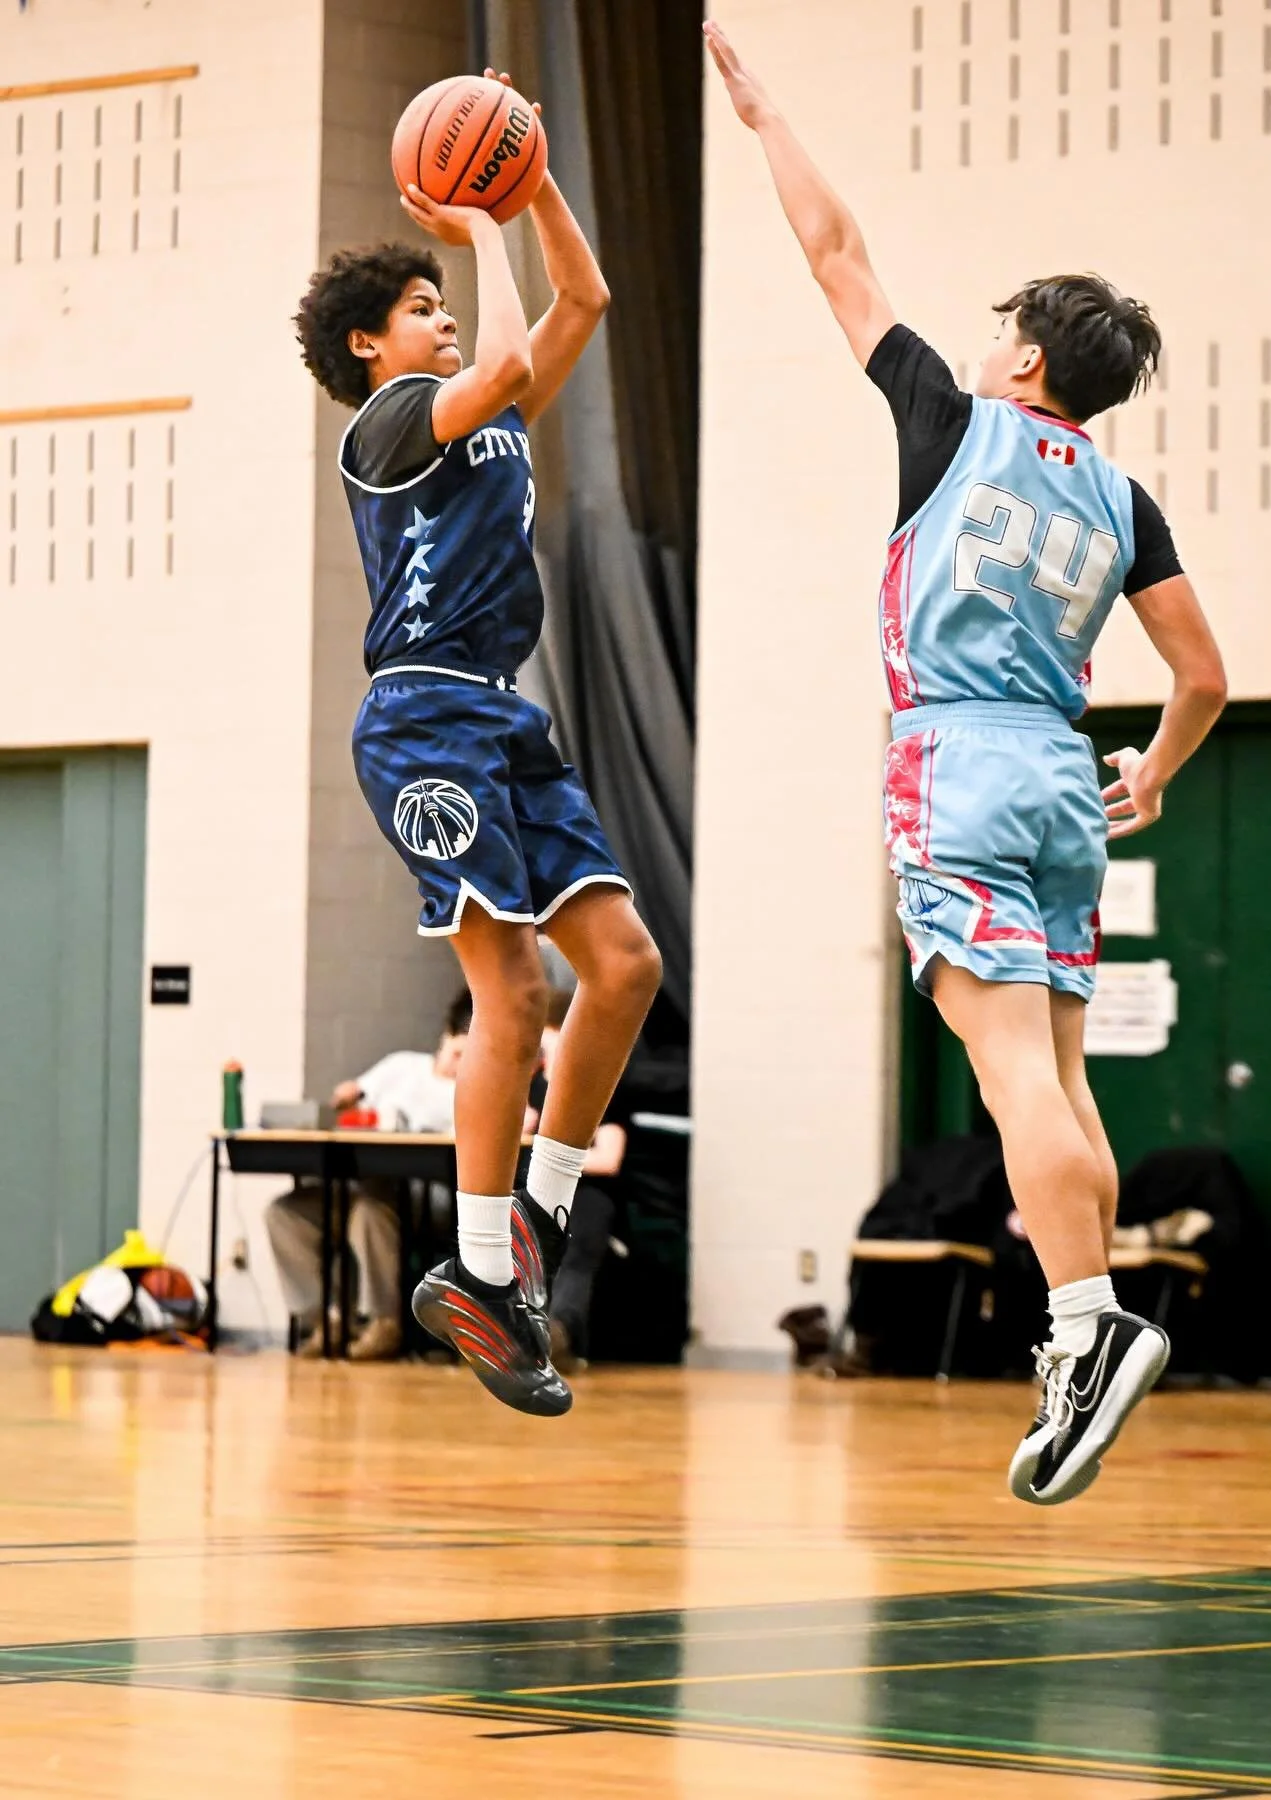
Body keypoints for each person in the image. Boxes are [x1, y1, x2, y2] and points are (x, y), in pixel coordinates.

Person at [705, 23, 1227, 1505]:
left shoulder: (955, 421)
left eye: (1005, 325)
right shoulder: (1127, 501)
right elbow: (1202, 677)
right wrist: (1159, 772)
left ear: (1030, 357)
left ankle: (1084, 1325)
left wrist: (764, 114)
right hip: (1068, 782)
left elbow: (835, 251)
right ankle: (1087, 1326)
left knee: (1010, 1079)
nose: (986, 336)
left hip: (959, 760)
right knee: (1060, 1076)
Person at [292, 71, 662, 1418]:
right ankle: (475, 1262)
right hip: (423, 716)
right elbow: (507, 353)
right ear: (369, 353)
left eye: (442, 299)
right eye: (419, 309)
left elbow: (587, 310)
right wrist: (480, 227)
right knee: (510, 998)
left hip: (503, 714)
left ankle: (530, 1235)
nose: (442, 316)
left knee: (621, 967)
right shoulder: (389, 424)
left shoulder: (480, 418)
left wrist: (533, 180)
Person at [265, 992, 472, 1361]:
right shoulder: (401, 1066)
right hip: (358, 1184)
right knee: (285, 1213)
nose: (459, 1064)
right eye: (457, 1052)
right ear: (444, 1037)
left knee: (369, 1212)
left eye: (470, 1056)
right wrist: (345, 1096)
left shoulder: (470, 1092)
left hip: (422, 1197)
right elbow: (352, 1095)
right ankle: (323, 1321)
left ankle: (383, 1322)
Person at [521, 995, 631, 1374]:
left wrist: (552, 1157)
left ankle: (561, 1331)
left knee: (579, 1237)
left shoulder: (601, 1085)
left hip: (586, 1190)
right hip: (535, 1186)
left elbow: (609, 1157)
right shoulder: (528, 1085)